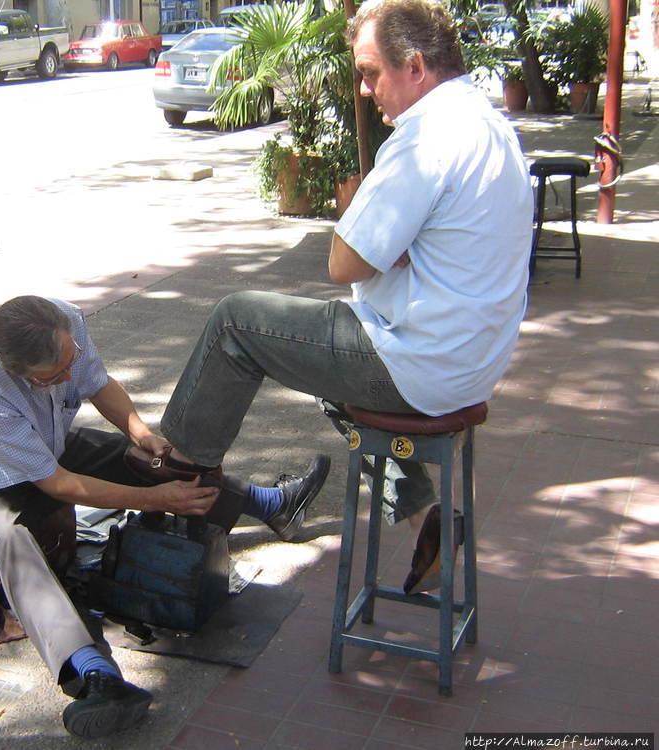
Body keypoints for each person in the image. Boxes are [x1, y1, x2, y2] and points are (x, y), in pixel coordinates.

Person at [158, 0, 532, 595]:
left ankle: (176, 473)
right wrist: (393, 241)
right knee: (323, 364)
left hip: (422, 362)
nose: (364, 90)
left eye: (371, 72)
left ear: (413, 65)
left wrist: (367, 222)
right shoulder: (485, 123)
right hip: (471, 361)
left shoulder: (426, 138)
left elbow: (341, 262)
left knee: (237, 321)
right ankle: (426, 517)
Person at [0, 295, 330, 738]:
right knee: (10, 535)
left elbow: (97, 384)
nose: (69, 376)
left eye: (70, 360)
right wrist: (156, 501)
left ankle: (271, 505)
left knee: (157, 464)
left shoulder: (64, 319)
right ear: (19, 373)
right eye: (55, 377)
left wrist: (141, 434)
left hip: (43, 442)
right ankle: (94, 673)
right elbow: (56, 484)